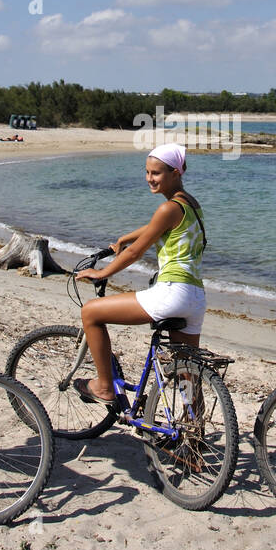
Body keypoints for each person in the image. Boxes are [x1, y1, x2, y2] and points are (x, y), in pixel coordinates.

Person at [73, 143, 206, 409]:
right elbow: (154, 228)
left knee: (90, 313)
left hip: (171, 292)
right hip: (196, 298)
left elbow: (135, 252)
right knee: (187, 372)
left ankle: (103, 387)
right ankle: (194, 438)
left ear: (176, 172)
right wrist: (124, 237)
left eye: (156, 173)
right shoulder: (189, 204)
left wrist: (102, 273)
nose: (149, 178)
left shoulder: (167, 208)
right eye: (147, 172)